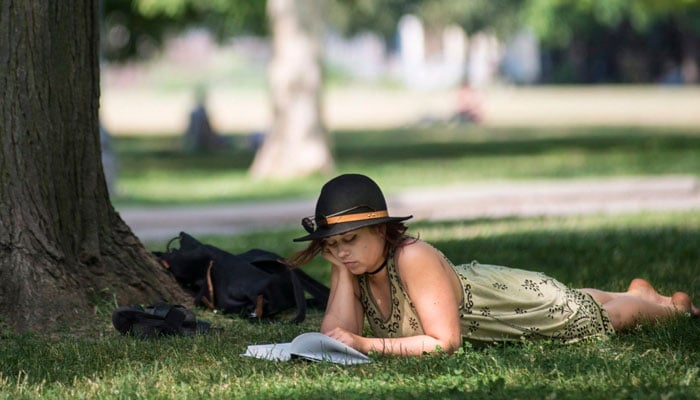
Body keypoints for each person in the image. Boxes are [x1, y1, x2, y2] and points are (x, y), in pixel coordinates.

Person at [289, 174, 699, 357]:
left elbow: (443, 343)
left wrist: (367, 345)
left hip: (516, 306)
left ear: (381, 230)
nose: (341, 251)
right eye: (333, 244)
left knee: (594, 318)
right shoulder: (355, 266)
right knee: (581, 299)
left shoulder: (412, 257)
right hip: (497, 292)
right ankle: (637, 292)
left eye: (351, 240)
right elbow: (332, 338)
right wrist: (342, 269)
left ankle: (665, 307)